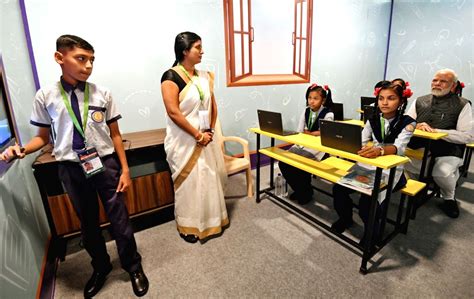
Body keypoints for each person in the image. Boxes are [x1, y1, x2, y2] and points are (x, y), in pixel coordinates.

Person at [0, 35, 149, 297]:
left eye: (91, 60)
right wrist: (22, 149)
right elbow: (42, 138)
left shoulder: (103, 93)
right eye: (81, 58)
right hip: (71, 168)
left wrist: (125, 170)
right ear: (60, 58)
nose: (88, 66)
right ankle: (100, 267)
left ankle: (132, 266)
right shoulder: (45, 96)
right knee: (88, 223)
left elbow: (115, 135)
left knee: (120, 219)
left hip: (106, 164)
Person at [161, 31, 228, 243]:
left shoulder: (204, 76)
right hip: (184, 140)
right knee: (189, 184)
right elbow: (173, 112)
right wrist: (197, 135)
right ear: (185, 51)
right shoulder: (171, 76)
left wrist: (209, 132)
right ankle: (188, 226)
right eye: (198, 47)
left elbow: (212, 105)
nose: (202, 51)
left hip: (205, 138)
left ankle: (211, 221)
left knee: (208, 178)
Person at [331, 82, 416, 244]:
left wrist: (380, 150)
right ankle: (345, 218)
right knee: (339, 190)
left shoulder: (409, 122)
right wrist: (356, 146)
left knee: (368, 202)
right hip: (369, 161)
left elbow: (399, 146)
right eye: (381, 98)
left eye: (391, 98)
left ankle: (373, 232)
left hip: (391, 166)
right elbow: (362, 139)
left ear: (401, 102)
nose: (384, 102)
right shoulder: (373, 119)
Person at [405, 69, 472, 218]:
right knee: (405, 162)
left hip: (449, 149)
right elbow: (406, 123)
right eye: (435, 80)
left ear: (453, 86)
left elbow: (467, 136)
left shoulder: (463, 104)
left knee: (441, 173)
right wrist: (416, 125)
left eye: (443, 81)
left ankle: (449, 197)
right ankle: (419, 190)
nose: (437, 84)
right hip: (420, 146)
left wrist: (437, 132)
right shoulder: (420, 100)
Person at [278, 84, 335, 205]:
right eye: (310, 98)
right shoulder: (306, 111)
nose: (311, 101)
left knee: (299, 165)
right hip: (302, 144)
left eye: (315, 98)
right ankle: (302, 190)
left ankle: (305, 192)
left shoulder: (328, 114)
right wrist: (312, 133)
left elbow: (325, 135)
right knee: (283, 163)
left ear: (323, 100)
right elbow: (300, 131)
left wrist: (311, 133)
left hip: (318, 149)